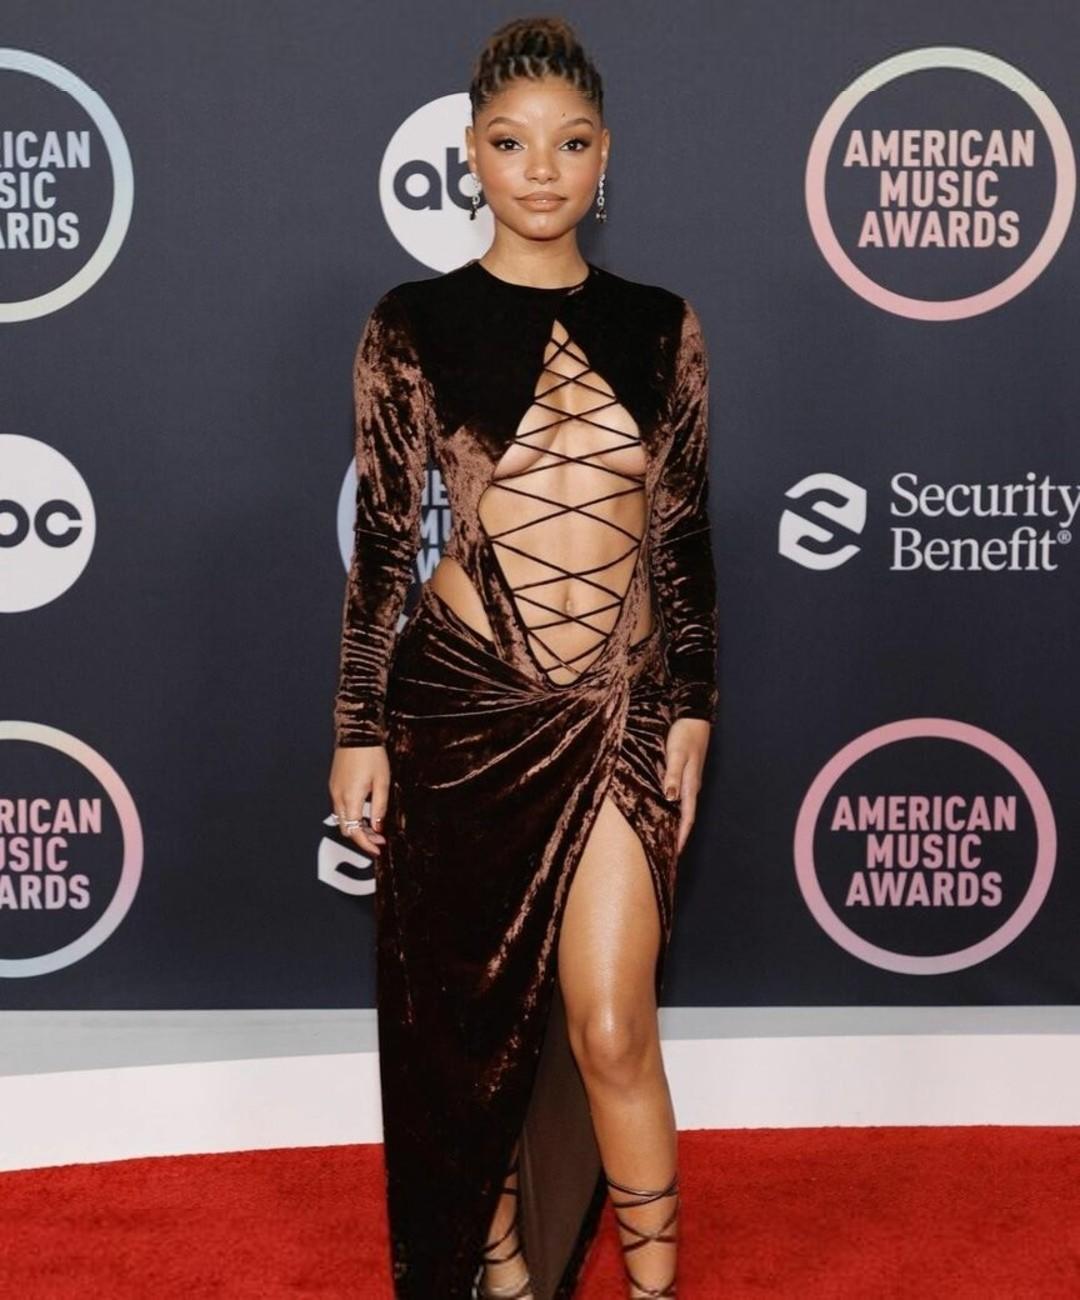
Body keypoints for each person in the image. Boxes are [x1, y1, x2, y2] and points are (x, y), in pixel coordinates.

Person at [328, 17, 719, 1299]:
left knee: (612, 1022)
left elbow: (682, 535)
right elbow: (385, 542)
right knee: (468, 1038)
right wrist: (358, 724)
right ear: (470, 156)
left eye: (570, 142)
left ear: (607, 157)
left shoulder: (661, 326)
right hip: (459, 709)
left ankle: (656, 1289)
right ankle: (500, 1279)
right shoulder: (414, 323)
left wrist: (694, 704)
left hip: (619, 713)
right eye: (510, 142)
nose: (540, 169)